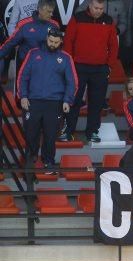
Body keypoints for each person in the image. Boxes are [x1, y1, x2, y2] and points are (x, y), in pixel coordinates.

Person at [17, 27, 76, 174]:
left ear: (61, 41)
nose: (53, 44)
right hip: (33, 101)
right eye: (51, 41)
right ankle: (30, 162)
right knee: (31, 134)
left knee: (50, 135)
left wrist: (67, 101)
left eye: (56, 42)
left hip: (54, 103)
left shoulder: (66, 57)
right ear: (46, 38)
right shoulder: (33, 53)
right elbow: (23, 76)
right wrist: (23, 96)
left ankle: (48, 162)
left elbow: (72, 82)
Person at [62, 0, 118, 143]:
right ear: (90, 5)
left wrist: (109, 65)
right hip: (78, 67)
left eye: (101, 8)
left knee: (97, 102)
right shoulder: (77, 18)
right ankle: (68, 131)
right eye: (96, 8)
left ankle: (92, 132)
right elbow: (68, 41)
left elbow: (113, 45)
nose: (98, 11)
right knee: (73, 100)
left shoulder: (109, 20)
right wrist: (70, 64)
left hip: (100, 69)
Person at [0, 0, 58, 73]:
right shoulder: (24, 24)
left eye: (51, 11)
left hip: (43, 64)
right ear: (40, 9)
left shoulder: (54, 26)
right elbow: (10, 42)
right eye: (49, 12)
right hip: (24, 59)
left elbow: (58, 48)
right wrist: (16, 41)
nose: (51, 14)